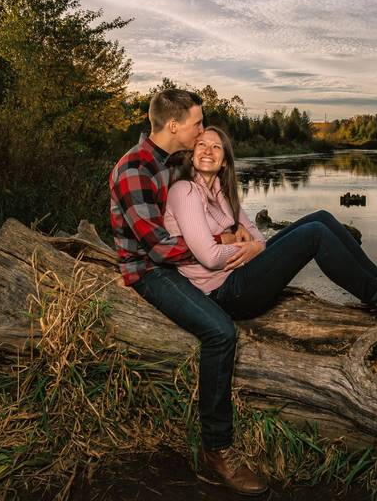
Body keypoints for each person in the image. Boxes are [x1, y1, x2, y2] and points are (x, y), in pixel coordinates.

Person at [163, 127, 377, 489]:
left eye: (216, 147)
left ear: (225, 158)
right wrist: (240, 245)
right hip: (224, 293)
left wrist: (247, 244)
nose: (207, 151)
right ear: (190, 153)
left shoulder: (222, 189)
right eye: (201, 144)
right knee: (313, 236)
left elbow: (259, 237)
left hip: (239, 273)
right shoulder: (185, 191)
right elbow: (208, 256)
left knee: (322, 218)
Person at [109, 89, 266, 496]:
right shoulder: (134, 169)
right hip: (149, 271)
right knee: (220, 332)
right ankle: (217, 449)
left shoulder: (172, 160)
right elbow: (160, 247)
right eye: (197, 123)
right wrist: (222, 239)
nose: (201, 131)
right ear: (173, 125)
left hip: (181, 265)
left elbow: (205, 202)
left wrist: (236, 238)